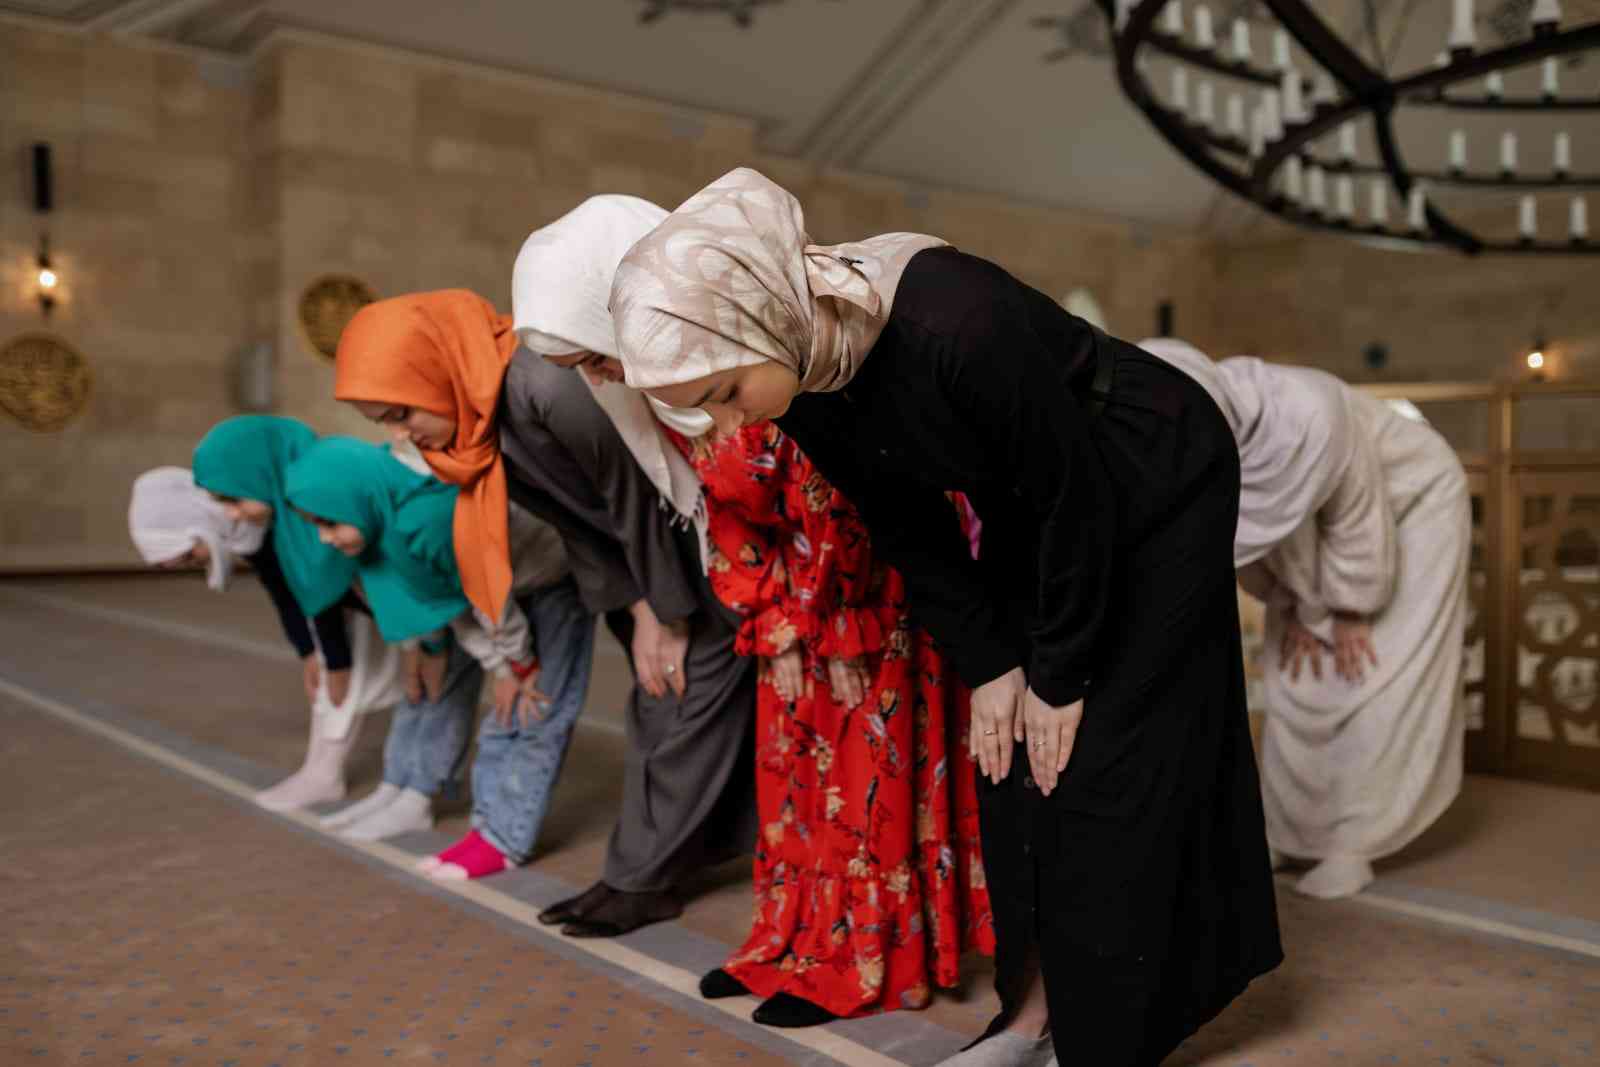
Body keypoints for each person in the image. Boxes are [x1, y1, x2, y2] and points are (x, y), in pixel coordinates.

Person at [611, 167, 1282, 1066]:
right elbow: (907, 525)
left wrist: (1061, 671)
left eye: (728, 391)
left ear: (762, 313)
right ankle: (1029, 1015)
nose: (732, 420)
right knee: (1003, 757)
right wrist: (995, 664)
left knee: (1111, 749)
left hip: (1150, 475)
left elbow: (1073, 494)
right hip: (1032, 503)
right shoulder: (804, 368)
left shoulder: (952, 317)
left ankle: (1111, 1037)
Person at [510, 193, 992, 1027]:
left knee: (861, 789)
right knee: (796, 793)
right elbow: (728, 519)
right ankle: (795, 942)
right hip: (792, 625)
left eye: (594, 354)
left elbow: (845, 509)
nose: (597, 376)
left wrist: (822, 623)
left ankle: (865, 958)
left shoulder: (755, 357)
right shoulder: (680, 393)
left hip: (865, 618)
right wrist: (774, 620)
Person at [333, 288, 756, 937]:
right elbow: (573, 521)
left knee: (683, 702)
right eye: (382, 420)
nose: (398, 434)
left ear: (435, 369)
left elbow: (636, 492)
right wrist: (640, 605)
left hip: (688, 555)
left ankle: (643, 877)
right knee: (662, 706)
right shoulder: (482, 417)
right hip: (636, 571)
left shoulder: (542, 386)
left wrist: (665, 614)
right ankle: (655, 867)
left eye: (398, 411)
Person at [1140, 338, 1470, 899]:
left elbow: (1354, 510)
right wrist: (1296, 604)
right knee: (1295, 673)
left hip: (1410, 509)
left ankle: (1354, 842)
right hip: (1312, 553)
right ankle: (1288, 834)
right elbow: (1239, 539)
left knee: (1372, 676)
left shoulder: (1305, 408)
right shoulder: (1189, 445)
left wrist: (1349, 607)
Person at [180, 417, 401, 812]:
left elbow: (323, 576)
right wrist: (311, 652)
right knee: (334, 679)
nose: (230, 514)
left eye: (233, 498)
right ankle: (324, 772)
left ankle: (366, 781)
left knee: (362, 682)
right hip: (370, 607)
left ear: (258, 472)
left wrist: (335, 660)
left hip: (416, 608)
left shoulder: (317, 493)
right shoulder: (283, 513)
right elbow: (293, 588)